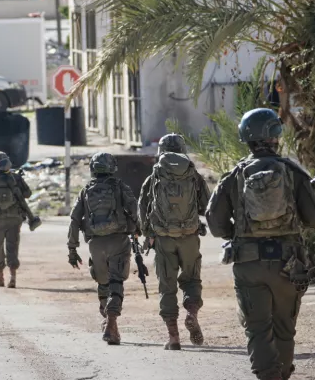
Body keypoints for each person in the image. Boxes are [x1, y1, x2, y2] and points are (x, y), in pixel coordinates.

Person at [206, 108, 315, 380]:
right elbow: (314, 220)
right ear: (274, 137)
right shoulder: (294, 172)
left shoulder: (233, 176)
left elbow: (215, 224)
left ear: (246, 137)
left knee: (258, 328)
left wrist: (240, 229)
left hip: (249, 264)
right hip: (289, 264)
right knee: (284, 329)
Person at [138, 134, 211, 350]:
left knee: (167, 287)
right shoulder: (193, 174)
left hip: (163, 239)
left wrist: (147, 233)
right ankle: (191, 313)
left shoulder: (154, 177)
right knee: (191, 280)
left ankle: (173, 337)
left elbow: (143, 207)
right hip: (189, 237)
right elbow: (207, 205)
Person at [67, 152, 141, 345]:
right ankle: (112, 322)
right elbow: (134, 210)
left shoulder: (86, 190)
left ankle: (105, 318)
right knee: (116, 281)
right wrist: (136, 230)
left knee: (102, 281)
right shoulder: (120, 187)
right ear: (112, 167)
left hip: (95, 244)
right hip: (118, 240)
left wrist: (72, 249)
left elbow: (75, 220)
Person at [0, 151, 32, 288]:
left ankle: (0, 277)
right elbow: (28, 193)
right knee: (12, 246)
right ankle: (13, 277)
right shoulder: (16, 178)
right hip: (14, 219)